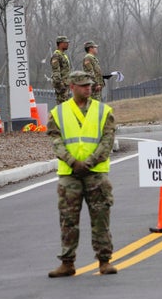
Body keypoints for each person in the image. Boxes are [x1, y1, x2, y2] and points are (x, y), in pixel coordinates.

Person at [47, 70, 118, 278]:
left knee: (100, 218)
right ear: (72, 87)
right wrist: (72, 162)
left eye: (89, 85)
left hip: (96, 173)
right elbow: (56, 141)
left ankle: (104, 261)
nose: (88, 88)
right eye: (83, 85)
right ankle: (67, 263)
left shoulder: (103, 111)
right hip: (70, 174)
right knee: (68, 219)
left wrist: (89, 162)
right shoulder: (58, 113)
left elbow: (107, 141)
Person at [51, 35, 71, 104]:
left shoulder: (63, 55)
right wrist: (60, 85)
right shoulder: (56, 55)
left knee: (65, 105)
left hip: (66, 84)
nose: (67, 44)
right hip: (62, 86)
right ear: (60, 43)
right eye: (65, 43)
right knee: (62, 105)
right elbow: (56, 71)